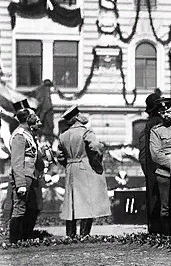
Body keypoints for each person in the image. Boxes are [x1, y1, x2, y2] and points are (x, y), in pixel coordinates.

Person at [56, 106, 111, 237]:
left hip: (70, 169)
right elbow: (96, 147)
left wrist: (69, 164)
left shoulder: (63, 135)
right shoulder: (86, 132)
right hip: (85, 167)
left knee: (71, 203)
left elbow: (60, 156)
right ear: (76, 118)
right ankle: (84, 234)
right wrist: (96, 162)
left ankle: (70, 234)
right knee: (87, 201)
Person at [8, 105, 44, 244]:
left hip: (30, 175)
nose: (36, 118)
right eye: (34, 116)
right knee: (19, 208)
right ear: (28, 118)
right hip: (23, 176)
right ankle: (13, 242)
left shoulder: (27, 134)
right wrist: (21, 184)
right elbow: (17, 162)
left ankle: (23, 238)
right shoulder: (19, 136)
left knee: (29, 208)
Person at [148, 98, 171, 235]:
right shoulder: (156, 131)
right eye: (163, 112)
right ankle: (167, 237)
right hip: (164, 174)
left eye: (168, 111)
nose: (166, 115)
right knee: (165, 208)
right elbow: (156, 154)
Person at [138, 90, 165, 235]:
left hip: (150, 168)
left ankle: (154, 231)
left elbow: (142, 153)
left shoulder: (148, 125)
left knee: (153, 200)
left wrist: (146, 169)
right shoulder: (160, 124)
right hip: (161, 167)